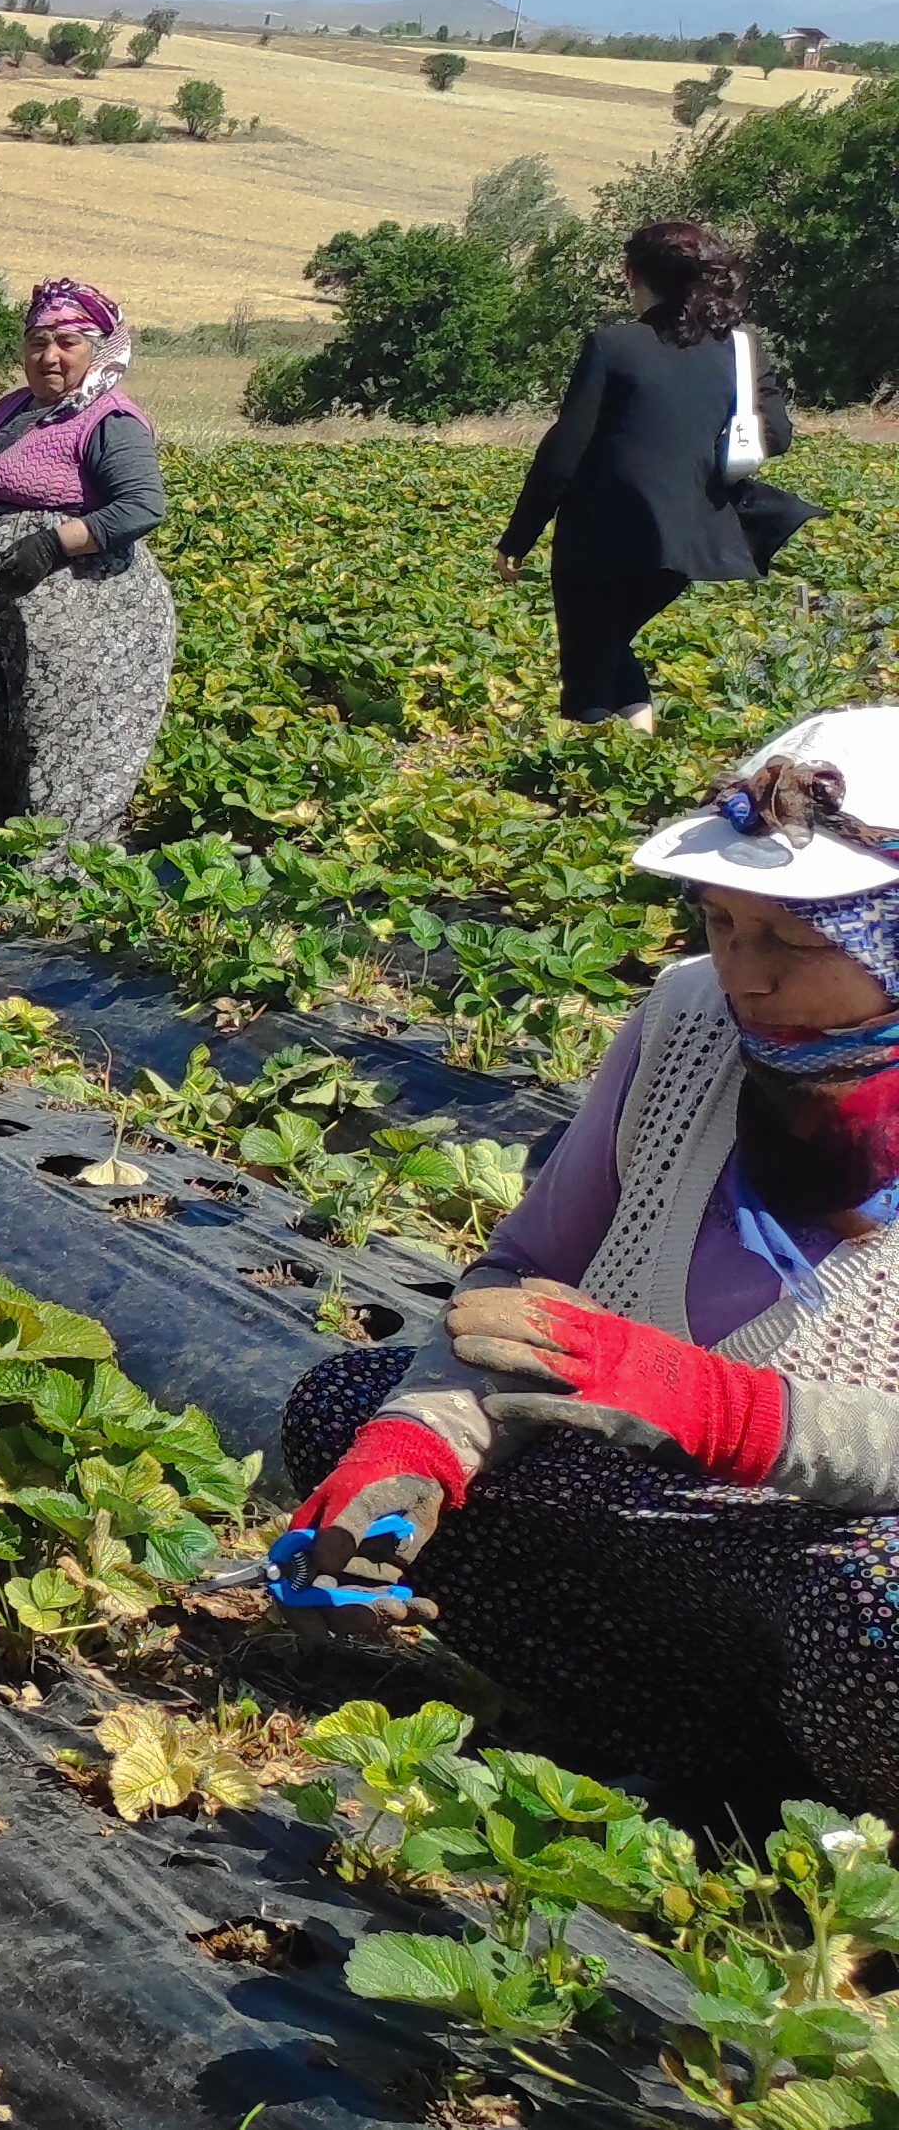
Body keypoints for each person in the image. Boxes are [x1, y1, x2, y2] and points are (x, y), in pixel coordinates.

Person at [280, 708, 899, 1810]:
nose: (743, 975)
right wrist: (418, 1444)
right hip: (674, 1523)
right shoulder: (690, 1018)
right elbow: (523, 1271)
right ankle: (703, 1757)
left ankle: (850, 1814)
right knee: (346, 1408)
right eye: (719, 921)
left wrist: (720, 1410)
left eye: (794, 944)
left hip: (835, 1548)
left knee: (880, 1608)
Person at [0, 277, 173, 848]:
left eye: (68, 342)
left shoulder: (110, 419)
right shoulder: (15, 408)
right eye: (37, 342)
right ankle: (16, 849)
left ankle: (64, 865)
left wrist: (52, 545)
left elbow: (141, 506)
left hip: (81, 618)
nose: (49, 356)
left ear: (99, 349)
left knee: (63, 728)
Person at [497, 221, 805, 732]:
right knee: (607, 648)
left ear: (632, 275)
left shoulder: (613, 345)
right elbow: (778, 435)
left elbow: (564, 451)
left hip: (599, 535)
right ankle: (641, 746)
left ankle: (603, 769)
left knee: (588, 675)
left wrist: (519, 536)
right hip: (686, 537)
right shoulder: (740, 349)